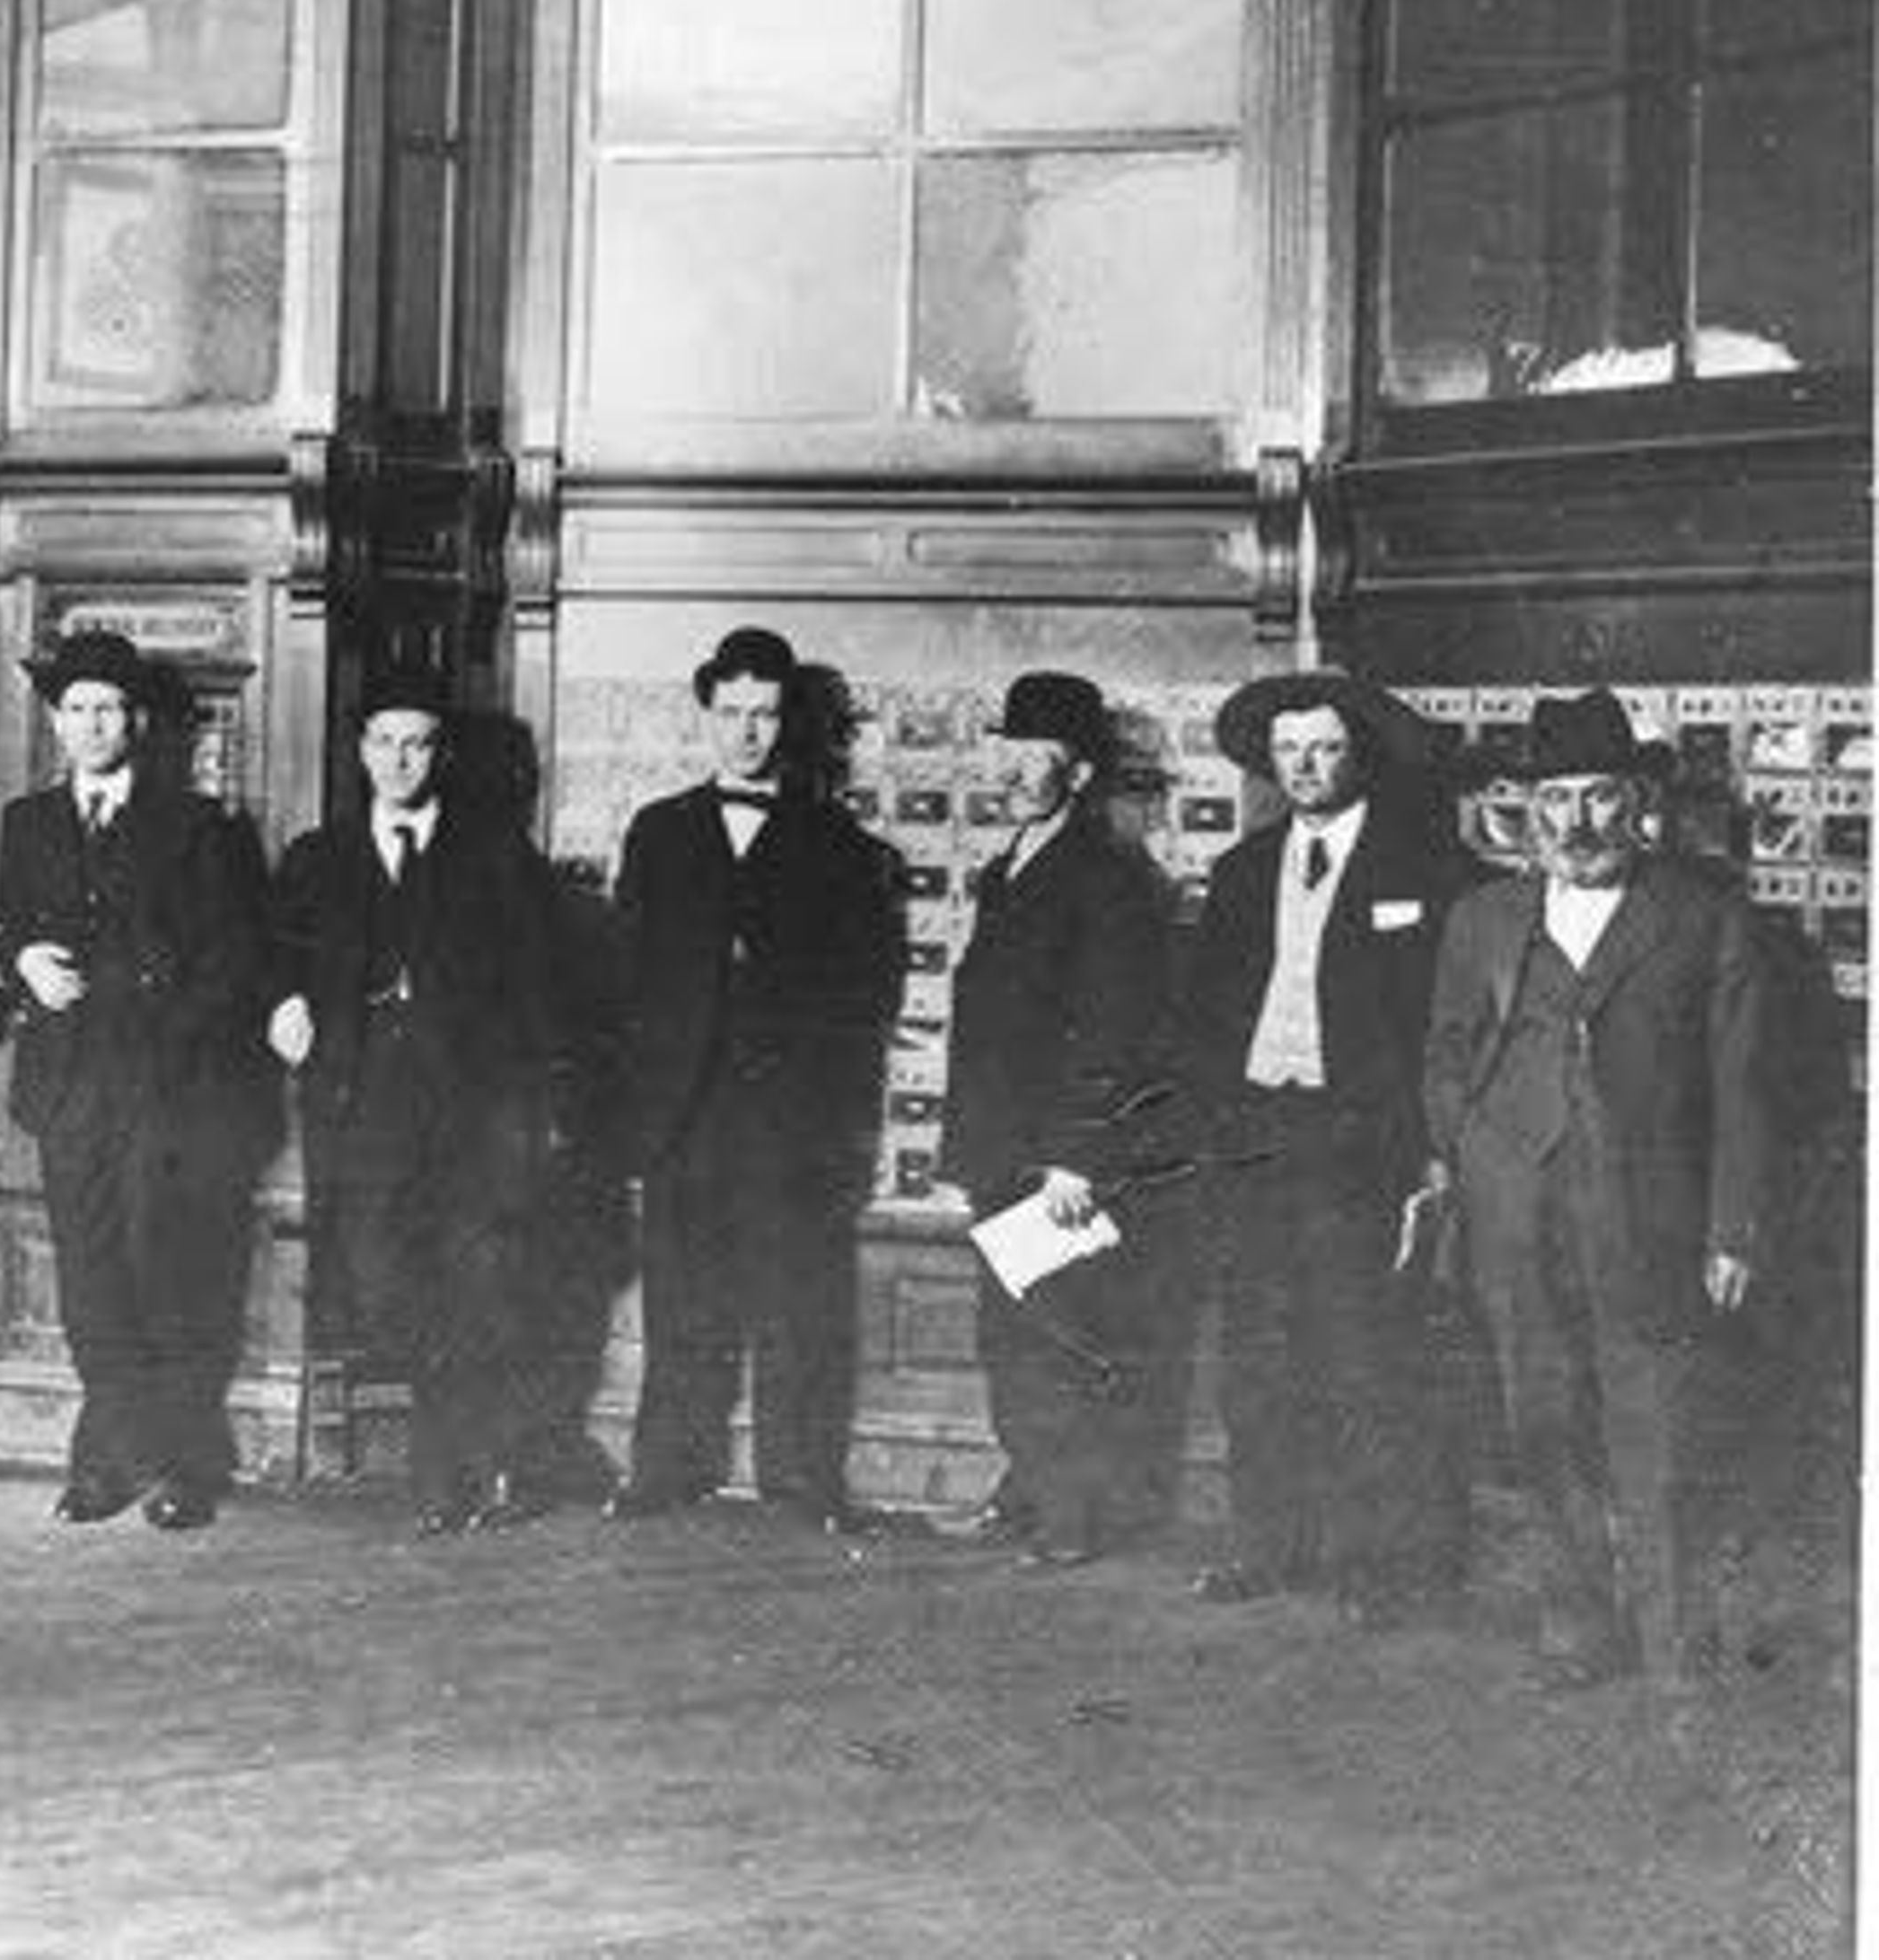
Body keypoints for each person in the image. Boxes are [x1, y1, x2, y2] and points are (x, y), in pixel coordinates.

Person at [1419, 687, 1781, 1693]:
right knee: (1542, 1426)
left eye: (1600, 799)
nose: (1578, 823)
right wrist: (1473, 1156)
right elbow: (1444, 1055)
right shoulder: (1483, 918)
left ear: (1640, 807)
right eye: (1558, 801)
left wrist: (1733, 1231)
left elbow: (1743, 1090)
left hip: (1650, 1219)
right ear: (1526, 812)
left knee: (1653, 1433)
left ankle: (1675, 1651)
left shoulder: (1705, 920)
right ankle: (1579, 1630)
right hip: (1513, 1216)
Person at [1181, 671, 1475, 1624]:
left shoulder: (1424, 870)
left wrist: (1429, 1157)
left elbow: (1445, 1026)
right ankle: (1270, 1548)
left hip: (1364, 1148)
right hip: (1259, 1141)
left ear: (1359, 756)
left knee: (1363, 1357)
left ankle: (1376, 1567)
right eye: (1288, 752)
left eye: (1325, 749)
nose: (1305, 767)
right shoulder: (1240, 870)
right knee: (1260, 1362)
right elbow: (1205, 1021)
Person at [605, 628, 903, 1528]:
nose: (748, 734)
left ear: (789, 722)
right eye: (732, 714)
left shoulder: (843, 846)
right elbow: (627, 979)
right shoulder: (659, 833)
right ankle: (666, 1468)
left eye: (765, 716)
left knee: (799, 1302)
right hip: (684, 1116)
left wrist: (838, 1126)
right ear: (707, 715)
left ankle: (806, 1477)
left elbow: (865, 1000)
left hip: (791, 1125)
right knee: (682, 1301)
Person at [268, 671, 573, 1535]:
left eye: (418, 743)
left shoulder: (499, 860)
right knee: (380, 1284)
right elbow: (275, 955)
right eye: (385, 742)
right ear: (361, 751)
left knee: (474, 1282)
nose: (400, 759)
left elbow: (537, 994)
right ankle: (481, 1447)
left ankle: (451, 1471)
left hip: (471, 1117)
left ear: (440, 755)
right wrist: (283, 1000)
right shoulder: (316, 858)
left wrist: (531, 1115)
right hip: (362, 1115)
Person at [0, 628, 269, 1532]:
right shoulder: (26, 821)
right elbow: (11, 926)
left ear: (138, 720)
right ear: (55, 722)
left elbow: (233, 963)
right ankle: (108, 1457)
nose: (92, 723)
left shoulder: (196, 826)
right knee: (89, 1275)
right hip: (70, 1086)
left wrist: (164, 1038)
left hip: (164, 1089)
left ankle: (183, 1463)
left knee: (167, 1271)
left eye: (108, 706)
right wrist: (22, 956)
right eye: (75, 708)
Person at [944, 670, 1183, 1568]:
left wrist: (1078, 1155)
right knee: (1016, 1330)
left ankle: (1070, 1518)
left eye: (1033, 758)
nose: (1009, 772)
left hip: (1055, 1160)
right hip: (1003, 1149)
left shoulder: (1109, 875)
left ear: (1079, 776)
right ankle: (1032, 1495)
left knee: (1054, 1331)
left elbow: (1116, 1026)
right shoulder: (1014, 863)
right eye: (1002, 752)